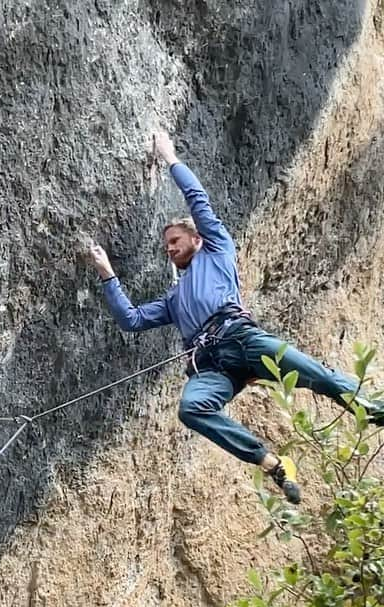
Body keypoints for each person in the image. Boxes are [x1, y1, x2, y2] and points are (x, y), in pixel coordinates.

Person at [89, 131, 383, 504]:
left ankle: (374, 409)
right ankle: (271, 462)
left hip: (242, 338)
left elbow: (198, 201)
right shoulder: (174, 299)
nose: (169, 250)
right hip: (214, 366)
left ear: (196, 239)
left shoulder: (217, 250)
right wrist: (106, 273)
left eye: (174, 241)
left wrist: (170, 158)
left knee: (314, 374)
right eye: (165, 247)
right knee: (191, 408)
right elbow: (130, 319)